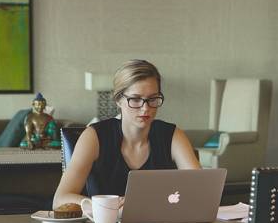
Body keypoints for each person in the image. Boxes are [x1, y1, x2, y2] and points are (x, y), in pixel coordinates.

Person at [53, 60, 201, 209]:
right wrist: (106, 206)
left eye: (152, 99)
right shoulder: (94, 136)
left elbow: (201, 190)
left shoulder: (173, 135)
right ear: (118, 99)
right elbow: (60, 199)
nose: (145, 108)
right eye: (135, 99)